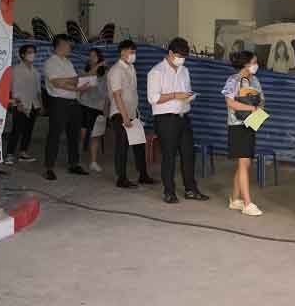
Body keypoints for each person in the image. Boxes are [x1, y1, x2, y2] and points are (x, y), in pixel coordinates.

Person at [147, 37, 209, 204]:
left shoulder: (184, 71)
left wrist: (188, 96)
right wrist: (175, 95)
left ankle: (191, 189)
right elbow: (153, 98)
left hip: (183, 117)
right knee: (169, 156)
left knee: (189, 154)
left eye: (184, 57)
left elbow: (186, 91)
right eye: (179, 56)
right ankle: (169, 192)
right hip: (166, 119)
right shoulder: (156, 72)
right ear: (170, 53)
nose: (181, 59)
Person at [222, 50, 264, 216]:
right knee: (243, 162)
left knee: (245, 164)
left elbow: (261, 100)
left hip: (251, 124)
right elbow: (230, 102)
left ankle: (234, 199)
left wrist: (257, 109)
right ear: (245, 64)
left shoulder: (255, 80)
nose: (256, 65)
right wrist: (251, 108)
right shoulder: (233, 80)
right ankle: (247, 203)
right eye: (253, 62)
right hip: (237, 125)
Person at [109, 40, 155, 189]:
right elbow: (117, 95)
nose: (133, 55)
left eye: (134, 52)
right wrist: (124, 117)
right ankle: (121, 178)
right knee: (122, 146)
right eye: (131, 52)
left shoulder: (131, 68)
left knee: (139, 144)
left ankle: (143, 175)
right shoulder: (116, 70)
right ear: (122, 52)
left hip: (133, 113)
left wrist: (133, 115)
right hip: (120, 114)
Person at [43, 34, 91, 180]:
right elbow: (56, 83)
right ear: (61, 45)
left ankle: (74, 164)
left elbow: (73, 81)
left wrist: (74, 83)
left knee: (74, 135)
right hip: (59, 102)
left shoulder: (68, 62)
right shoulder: (51, 62)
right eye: (69, 45)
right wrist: (74, 83)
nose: (70, 47)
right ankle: (49, 167)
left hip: (73, 102)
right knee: (55, 134)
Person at [6, 44, 41, 165]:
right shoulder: (16, 70)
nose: (32, 55)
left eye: (33, 52)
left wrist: (40, 105)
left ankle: (23, 153)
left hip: (33, 105)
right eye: (29, 52)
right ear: (22, 55)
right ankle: (9, 154)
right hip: (20, 104)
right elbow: (13, 88)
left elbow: (38, 90)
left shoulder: (36, 71)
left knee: (28, 130)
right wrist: (18, 103)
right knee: (16, 130)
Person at [79, 48, 108, 173]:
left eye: (94, 56)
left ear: (99, 57)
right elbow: (83, 81)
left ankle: (93, 162)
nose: (92, 58)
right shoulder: (84, 71)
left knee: (95, 135)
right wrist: (97, 66)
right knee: (82, 134)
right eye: (90, 56)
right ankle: (77, 158)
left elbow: (107, 93)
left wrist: (106, 109)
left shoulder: (105, 74)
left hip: (98, 108)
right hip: (85, 105)